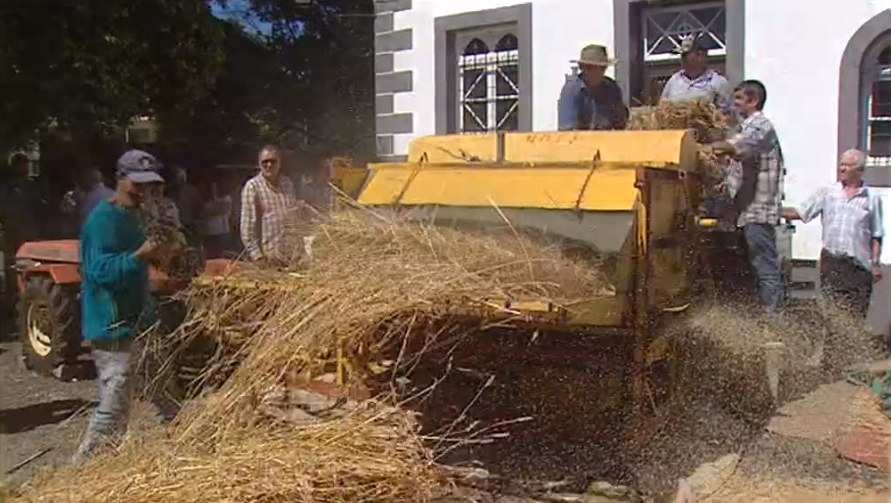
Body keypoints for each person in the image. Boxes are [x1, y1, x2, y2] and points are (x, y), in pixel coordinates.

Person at [73, 149, 170, 464]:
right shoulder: (102, 219)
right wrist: (140, 254)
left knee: (161, 384)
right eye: (136, 184)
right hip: (111, 321)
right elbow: (98, 272)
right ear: (120, 179)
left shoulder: (136, 215)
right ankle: (87, 467)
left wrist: (164, 252)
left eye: (148, 185)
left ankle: (178, 444)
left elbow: (143, 259)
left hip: (138, 316)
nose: (143, 191)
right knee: (116, 396)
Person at [707, 80, 785, 313]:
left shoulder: (761, 126)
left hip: (758, 210)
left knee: (764, 267)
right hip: (744, 211)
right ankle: (753, 314)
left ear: (753, 101)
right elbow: (734, 168)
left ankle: (772, 320)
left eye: (739, 98)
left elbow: (736, 146)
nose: (735, 103)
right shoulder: (745, 127)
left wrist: (703, 148)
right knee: (747, 267)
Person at [782, 149, 884, 319]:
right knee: (831, 313)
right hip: (833, 262)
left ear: (859, 170)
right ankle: (831, 345)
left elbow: (877, 234)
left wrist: (875, 263)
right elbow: (801, 213)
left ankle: (852, 345)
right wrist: (770, 210)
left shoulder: (871, 198)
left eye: (847, 165)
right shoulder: (828, 193)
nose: (842, 168)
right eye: (841, 164)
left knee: (855, 315)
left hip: (858, 266)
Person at [239, 144, 299, 263]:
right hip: (268, 260)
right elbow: (247, 229)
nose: (269, 165)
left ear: (280, 163)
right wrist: (258, 257)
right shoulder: (253, 187)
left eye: (273, 161)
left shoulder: (287, 184)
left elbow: (294, 219)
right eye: (265, 161)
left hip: (291, 258)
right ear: (259, 164)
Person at [558, 44, 628, 131]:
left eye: (600, 68)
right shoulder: (572, 90)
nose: (593, 72)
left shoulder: (612, 88)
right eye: (588, 67)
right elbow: (567, 130)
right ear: (581, 68)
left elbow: (620, 123)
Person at [660, 36, 734, 115]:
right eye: (681, 56)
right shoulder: (674, 81)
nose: (682, 59)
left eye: (686, 55)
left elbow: (727, 113)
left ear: (700, 56)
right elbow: (662, 108)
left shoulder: (717, 82)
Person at [200, 181, 234, 259]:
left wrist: (212, 207)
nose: (212, 190)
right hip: (208, 232)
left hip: (221, 231)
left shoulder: (226, 199)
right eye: (210, 188)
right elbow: (203, 213)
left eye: (215, 188)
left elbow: (216, 210)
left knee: (220, 253)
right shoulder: (207, 202)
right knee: (209, 254)